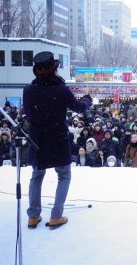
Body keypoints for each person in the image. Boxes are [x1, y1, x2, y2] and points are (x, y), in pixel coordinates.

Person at [23, 51, 92, 230]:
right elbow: (79, 107)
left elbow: (29, 115)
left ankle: (33, 216)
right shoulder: (60, 90)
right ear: (53, 70)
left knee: (36, 175)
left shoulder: (29, 90)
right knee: (64, 175)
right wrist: (87, 98)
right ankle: (56, 216)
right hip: (57, 139)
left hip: (37, 139)